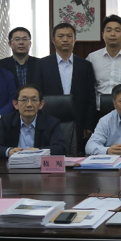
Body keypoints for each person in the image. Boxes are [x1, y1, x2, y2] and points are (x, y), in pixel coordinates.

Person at [38, 23, 97, 153]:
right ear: (53, 40)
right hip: (49, 118)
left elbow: (90, 98)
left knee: (76, 156)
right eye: (61, 36)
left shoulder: (85, 65)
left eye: (69, 36)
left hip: (78, 119)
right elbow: (38, 95)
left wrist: (88, 124)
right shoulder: (41, 64)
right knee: (51, 154)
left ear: (74, 39)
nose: (65, 39)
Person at [0, 85, 68, 158]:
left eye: (34, 100)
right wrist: (8, 151)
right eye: (24, 100)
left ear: (41, 104)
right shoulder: (6, 121)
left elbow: (60, 148)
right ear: (15, 104)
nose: (29, 104)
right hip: (14, 166)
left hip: (40, 166)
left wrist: (39, 151)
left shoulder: (51, 122)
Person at [86, 14, 121, 110]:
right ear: (103, 35)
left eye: (117, 30)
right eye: (109, 30)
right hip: (99, 110)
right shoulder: (92, 58)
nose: (113, 34)